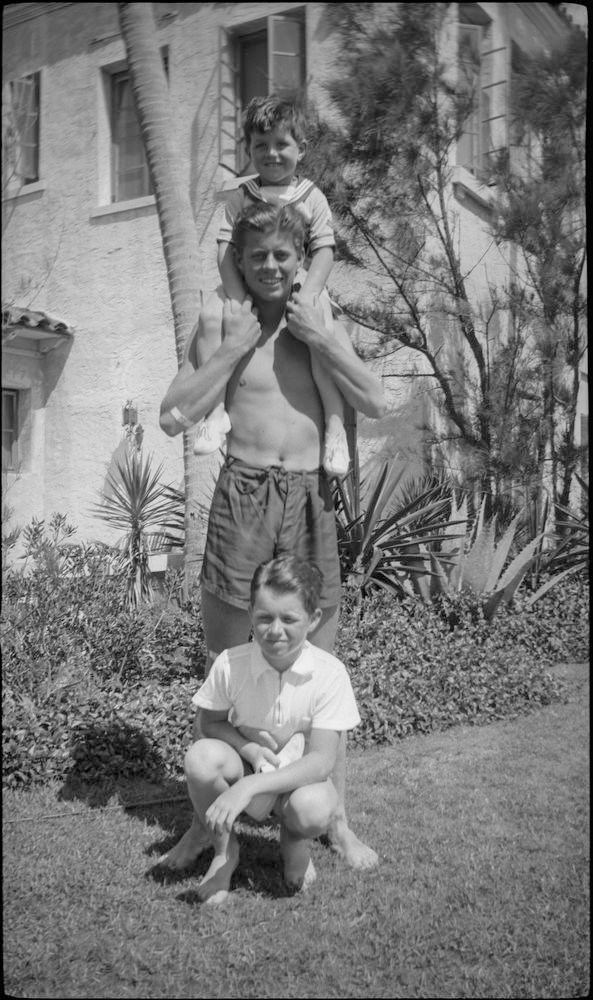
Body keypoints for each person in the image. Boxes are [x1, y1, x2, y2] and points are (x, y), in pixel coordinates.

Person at [160, 200, 386, 871]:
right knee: (224, 666)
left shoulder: (318, 318)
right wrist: (231, 348)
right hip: (243, 495)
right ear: (238, 257)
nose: (267, 266)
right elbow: (174, 414)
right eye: (255, 254)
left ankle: (335, 823)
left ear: (299, 259)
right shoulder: (219, 321)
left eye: (281, 255)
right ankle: (205, 827)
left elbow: (375, 401)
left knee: (322, 666)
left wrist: (322, 338)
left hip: (310, 499)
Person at [169, 555, 362, 903]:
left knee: (315, 807)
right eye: (264, 617)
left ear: (314, 618)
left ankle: (294, 842)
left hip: (300, 782)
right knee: (200, 758)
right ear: (249, 612)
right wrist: (250, 750)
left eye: (289, 619)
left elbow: (320, 762)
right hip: (248, 764)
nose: (275, 630)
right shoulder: (230, 664)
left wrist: (248, 787)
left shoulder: (330, 673)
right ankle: (224, 851)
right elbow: (209, 723)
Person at [193, 94, 350, 478]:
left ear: (301, 148)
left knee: (321, 337)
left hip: (299, 283)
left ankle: (334, 426)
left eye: (282, 144)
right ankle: (215, 413)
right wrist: (236, 296)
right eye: (260, 145)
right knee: (213, 320)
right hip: (246, 282)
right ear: (248, 148)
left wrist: (310, 294)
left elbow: (325, 251)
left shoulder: (311, 198)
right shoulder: (240, 196)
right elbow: (224, 252)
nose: (271, 153)